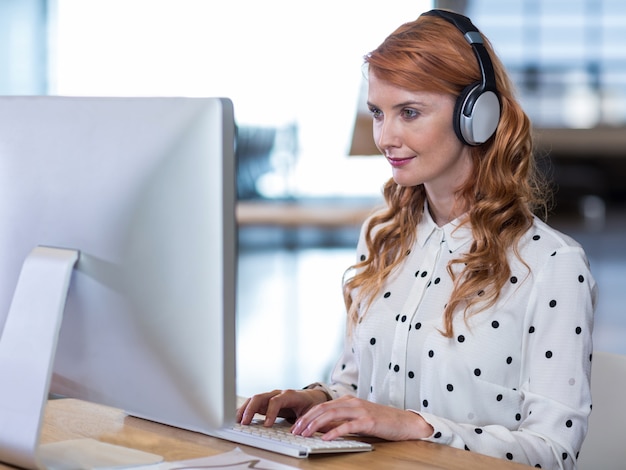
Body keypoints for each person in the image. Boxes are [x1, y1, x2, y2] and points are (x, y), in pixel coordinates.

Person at [237, 8, 598, 469]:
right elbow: (353, 385)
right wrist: (315, 402)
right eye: (377, 113)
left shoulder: (551, 264)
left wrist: (417, 426)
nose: (386, 137)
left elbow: (553, 454)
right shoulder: (381, 237)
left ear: (477, 117)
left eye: (409, 112)